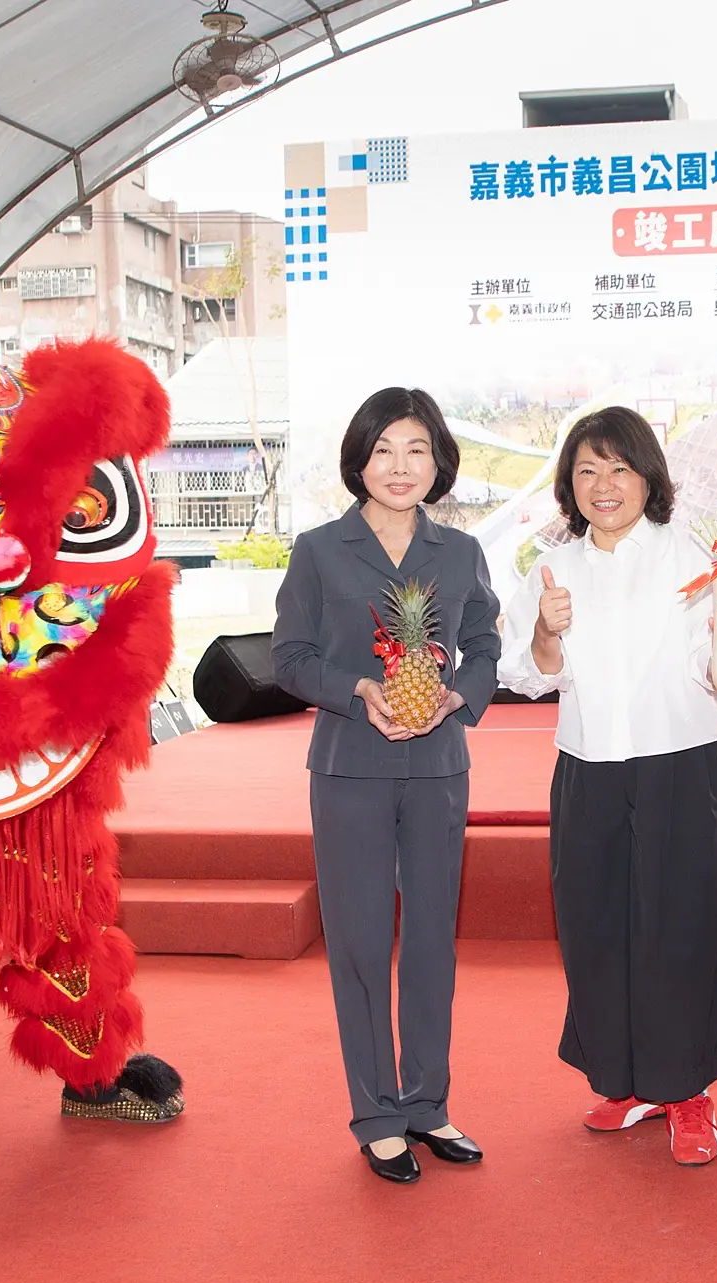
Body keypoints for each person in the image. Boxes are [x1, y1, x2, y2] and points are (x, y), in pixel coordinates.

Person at [498, 407, 717, 1165]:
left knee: (684, 931)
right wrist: (547, 633)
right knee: (597, 928)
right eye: (586, 470)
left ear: (648, 475)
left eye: (619, 467)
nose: (604, 485)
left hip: (681, 765)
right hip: (587, 770)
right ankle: (627, 1080)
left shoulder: (692, 560)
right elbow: (522, 674)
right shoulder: (553, 567)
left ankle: (688, 1094)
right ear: (568, 486)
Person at [271, 387, 502, 1184]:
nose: (400, 468)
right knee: (364, 945)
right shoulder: (319, 549)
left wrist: (458, 694)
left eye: (416, 451)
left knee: (433, 940)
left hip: (438, 768)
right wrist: (358, 690)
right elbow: (289, 656)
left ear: (438, 461)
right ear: (358, 461)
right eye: (383, 452)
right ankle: (377, 1116)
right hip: (349, 770)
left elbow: (482, 646)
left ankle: (427, 1102)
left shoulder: (460, 553)